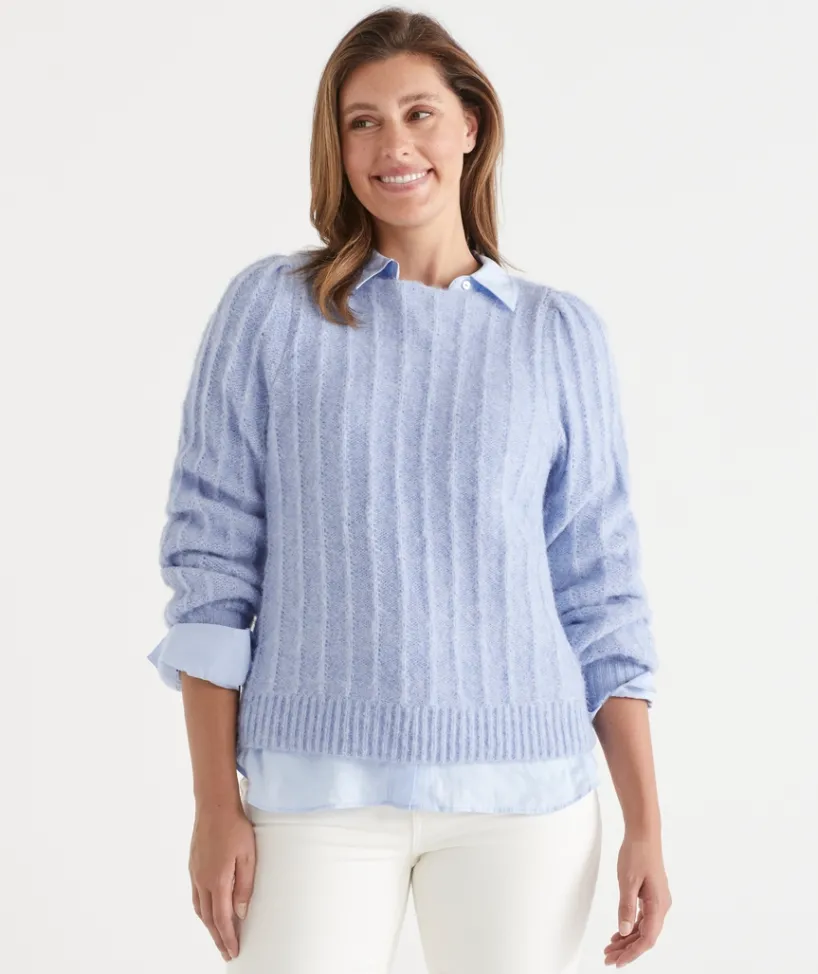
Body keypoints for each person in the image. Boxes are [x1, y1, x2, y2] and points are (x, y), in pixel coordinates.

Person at [147, 7, 671, 972]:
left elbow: (599, 592)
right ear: (337, 144)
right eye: (363, 122)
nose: (394, 145)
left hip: (525, 801)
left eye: (419, 113)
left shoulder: (557, 335)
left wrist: (647, 824)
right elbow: (211, 568)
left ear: (470, 124)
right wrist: (214, 803)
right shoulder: (270, 312)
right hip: (312, 795)